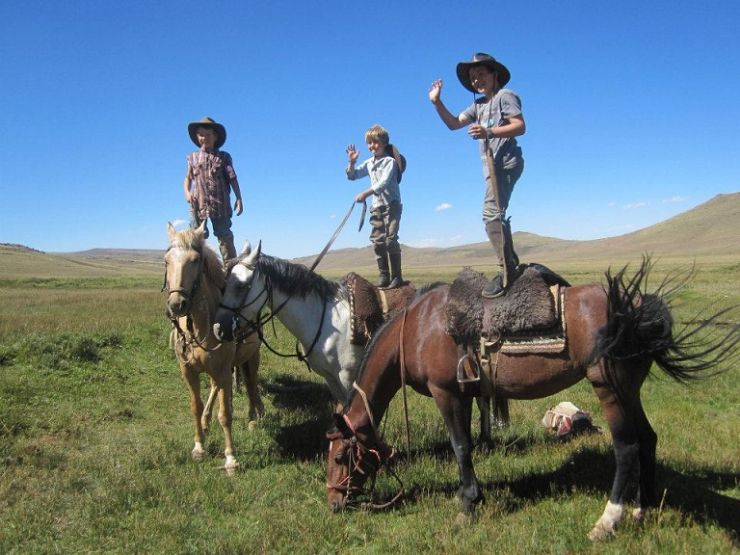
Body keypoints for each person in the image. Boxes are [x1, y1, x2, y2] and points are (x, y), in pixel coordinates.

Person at [429, 53, 525, 298]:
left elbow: (520, 126)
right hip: (490, 168)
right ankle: (510, 262)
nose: (476, 80)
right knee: (494, 213)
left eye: (481, 74)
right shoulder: (478, 105)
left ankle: (507, 270)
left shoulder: (506, 96)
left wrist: (488, 131)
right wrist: (437, 102)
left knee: (490, 213)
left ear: (494, 74)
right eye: (472, 78)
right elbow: (453, 123)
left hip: (505, 163)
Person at [346, 124, 406, 289]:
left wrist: (365, 193)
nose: (372, 146)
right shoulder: (369, 163)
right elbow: (353, 176)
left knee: (390, 239)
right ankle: (384, 275)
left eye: (376, 142)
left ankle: (397, 276)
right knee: (378, 242)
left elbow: (383, 183)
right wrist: (351, 162)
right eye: (369, 143)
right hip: (376, 207)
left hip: (391, 205)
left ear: (384, 142)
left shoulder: (390, 162)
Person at [183, 116, 243, 262]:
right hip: (198, 205)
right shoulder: (192, 157)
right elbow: (188, 179)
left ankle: (231, 270)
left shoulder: (223, 157)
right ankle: (199, 270)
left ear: (215, 136)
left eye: (208, 134)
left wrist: (239, 198)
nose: (204, 137)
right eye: (201, 134)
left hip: (220, 205)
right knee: (196, 238)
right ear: (197, 137)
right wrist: (187, 192)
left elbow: (232, 178)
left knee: (224, 237)